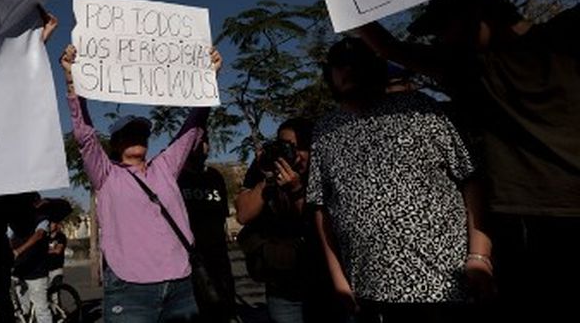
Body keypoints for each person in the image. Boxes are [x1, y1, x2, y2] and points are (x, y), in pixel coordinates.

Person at [309, 0, 579, 320]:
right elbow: (389, 47)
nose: (439, 38)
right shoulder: (468, 71)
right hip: (520, 224)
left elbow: (467, 178)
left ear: (474, 15)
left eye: (442, 27)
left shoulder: (567, 36)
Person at [306, 38, 492, 323]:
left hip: (444, 284)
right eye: (340, 64)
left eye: (357, 62)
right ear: (329, 73)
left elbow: (470, 178)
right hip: (370, 290)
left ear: (375, 67)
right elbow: (322, 207)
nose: (349, 70)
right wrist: (338, 278)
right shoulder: (324, 130)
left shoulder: (418, 107)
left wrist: (479, 256)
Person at [60, 43, 222, 323]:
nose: (136, 137)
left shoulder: (165, 167)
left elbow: (191, 128)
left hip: (180, 286)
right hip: (130, 290)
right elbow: (85, 137)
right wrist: (72, 81)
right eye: (128, 133)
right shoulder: (106, 175)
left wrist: (209, 79)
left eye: (141, 133)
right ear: (115, 143)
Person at [235, 119, 327, 323]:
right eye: (286, 146)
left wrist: (295, 189)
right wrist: (268, 178)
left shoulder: (325, 166)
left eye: (301, 147)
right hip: (282, 284)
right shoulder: (266, 166)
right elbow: (243, 215)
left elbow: (319, 225)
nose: (295, 154)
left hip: (324, 279)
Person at [178, 131, 237, 323]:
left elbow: (222, 217)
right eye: (195, 141)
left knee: (223, 312)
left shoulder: (215, 176)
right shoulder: (176, 177)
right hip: (188, 263)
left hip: (218, 261)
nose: (201, 145)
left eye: (204, 141)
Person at [47, 221, 68, 287]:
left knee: (56, 289)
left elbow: (58, 250)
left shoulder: (61, 236)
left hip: (57, 268)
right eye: (49, 224)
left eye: (52, 223)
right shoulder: (45, 237)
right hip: (46, 269)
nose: (50, 226)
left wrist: (46, 251)